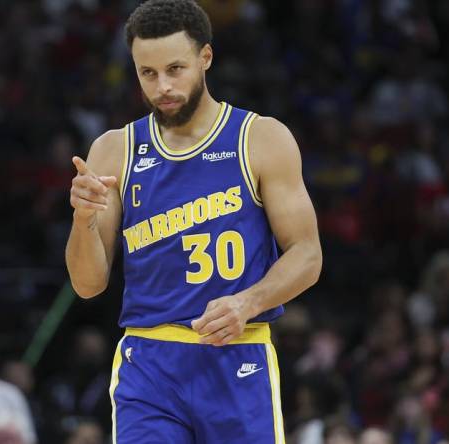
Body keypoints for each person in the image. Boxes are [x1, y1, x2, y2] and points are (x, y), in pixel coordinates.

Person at [64, 0, 322, 442]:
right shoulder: (113, 150)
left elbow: (307, 255)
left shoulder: (260, 138)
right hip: (149, 364)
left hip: (235, 354)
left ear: (206, 57)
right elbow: (88, 284)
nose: (162, 86)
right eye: (148, 73)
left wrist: (247, 302)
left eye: (175, 69)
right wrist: (83, 220)